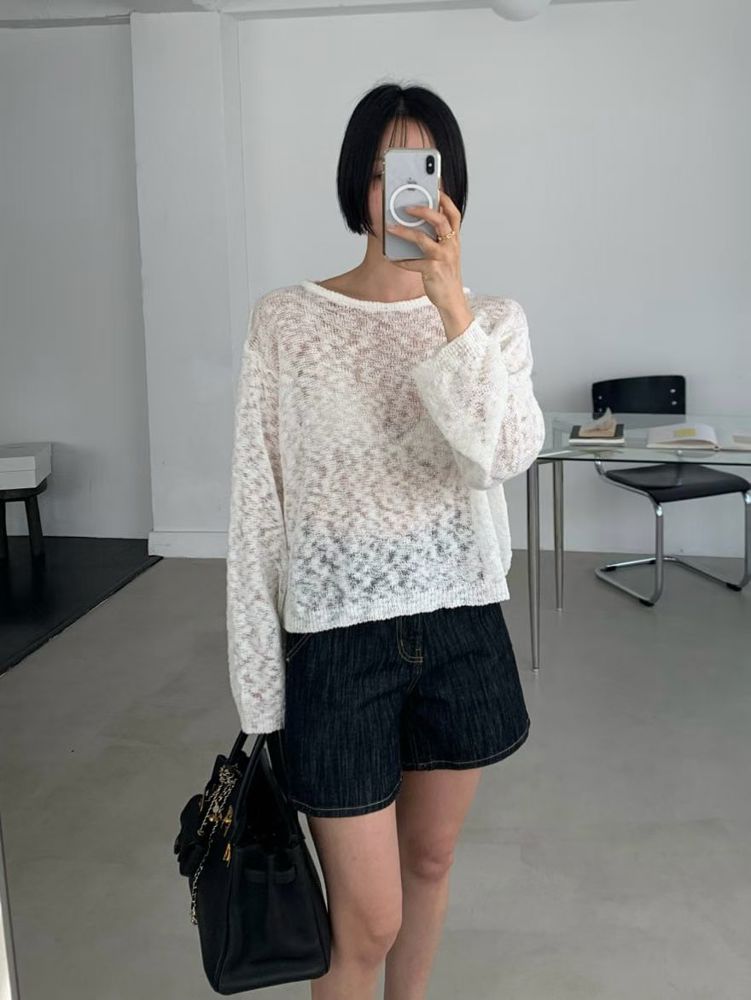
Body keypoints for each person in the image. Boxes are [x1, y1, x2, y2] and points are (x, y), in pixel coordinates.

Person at [226, 81, 546, 1000]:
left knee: (431, 862)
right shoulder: (287, 320)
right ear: (353, 184)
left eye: (416, 167)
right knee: (364, 918)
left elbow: (500, 456)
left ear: (448, 182)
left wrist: (450, 310)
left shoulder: (492, 322)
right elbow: (257, 504)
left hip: (459, 625)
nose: (395, 190)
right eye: (377, 169)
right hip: (334, 642)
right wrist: (258, 688)